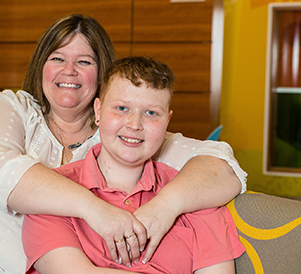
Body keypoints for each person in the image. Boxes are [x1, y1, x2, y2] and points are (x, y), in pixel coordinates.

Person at [0, 14, 246, 274]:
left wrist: (163, 208)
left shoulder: (122, 135)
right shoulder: (15, 107)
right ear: (41, 66)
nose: (69, 70)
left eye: (84, 61)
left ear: (102, 77)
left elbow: (221, 165)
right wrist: (97, 210)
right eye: (57, 58)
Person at [22, 56, 246, 274]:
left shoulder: (195, 193)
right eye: (122, 108)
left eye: (151, 113)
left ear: (167, 120)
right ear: (98, 111)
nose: (134, 124)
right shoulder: (51, 193)